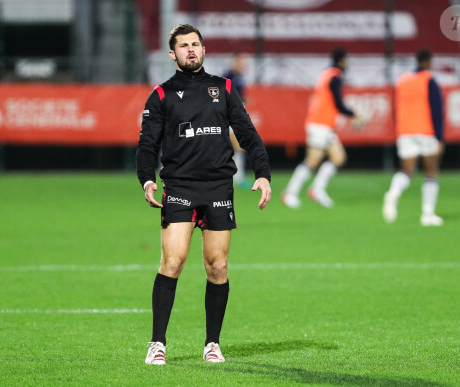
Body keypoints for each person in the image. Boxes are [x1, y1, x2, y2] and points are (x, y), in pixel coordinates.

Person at [136, 24, 272, 365]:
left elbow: (248, 134)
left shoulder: (223, 88)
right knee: (173, 260)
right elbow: (147, 145)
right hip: (180, 186)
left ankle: (212, 343)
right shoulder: (162, 95)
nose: (191, 49)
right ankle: (157, 343)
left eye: (195, 44)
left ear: (203, 49)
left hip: (217, 188)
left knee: (218, 265)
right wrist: (146, 180)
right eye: (183, 46)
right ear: (173, 54)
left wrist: (263, 174)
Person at [281, 48, 361, 209]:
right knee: (312, 161)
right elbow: (338, 104)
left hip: (323, 124)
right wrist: (354, 114)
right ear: (341, 61)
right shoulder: (335, 77)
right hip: (320, 124)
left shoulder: (326, 74)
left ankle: (317, 189)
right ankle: (289, 193)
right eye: (346, 61)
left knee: (338, 157)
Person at [383, 49, 444, 226]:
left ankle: (393, 193)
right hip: (425, 130)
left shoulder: (402, 81)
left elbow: (395, 108)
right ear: (428, 62)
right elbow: (437, 110)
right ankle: (427, 214)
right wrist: (439, 137)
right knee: (431, 172)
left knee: (406, 171)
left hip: (405, 131)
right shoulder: (429, 80)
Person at [223, 53, 249, 188]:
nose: (244, 65)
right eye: (241, 62)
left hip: (236, 114)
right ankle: (238, 177)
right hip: (229, 115)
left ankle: (236, 176)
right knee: (238, 145)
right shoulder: (228, 76)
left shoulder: (240, 77)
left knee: (238, 146)